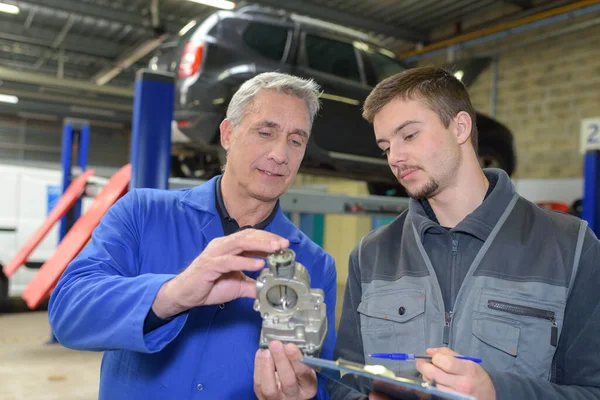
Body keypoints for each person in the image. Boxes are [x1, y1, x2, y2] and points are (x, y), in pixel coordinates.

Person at [48, 72, 338, 400]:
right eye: (265, 132)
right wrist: (174, 293)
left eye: (296, 141)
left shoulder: (315, 264)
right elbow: (68, 313)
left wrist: (304, 395)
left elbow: (322, 381)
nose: (280, 153)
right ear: (228, 133)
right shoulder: (142, 213)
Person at [328, 66, 600, 400]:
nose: (395, 158)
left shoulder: (571, 247)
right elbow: (345, 383)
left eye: (409, 135)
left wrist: (498, 393)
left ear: (459, 127)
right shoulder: (371, 254)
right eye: (385, 147)